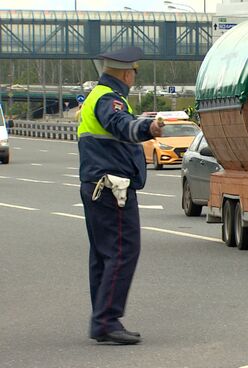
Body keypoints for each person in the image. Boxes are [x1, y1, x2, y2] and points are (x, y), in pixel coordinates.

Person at [78, 46, 164, 345]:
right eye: (134, 74)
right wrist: (148, 127)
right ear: (127, 73)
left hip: (98, 185)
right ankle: (106, 320)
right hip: (112, 187)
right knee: (122, 250)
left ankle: (102, 317)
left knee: (103, 255)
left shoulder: (96, 97)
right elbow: (122, 125)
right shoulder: (108, 99)